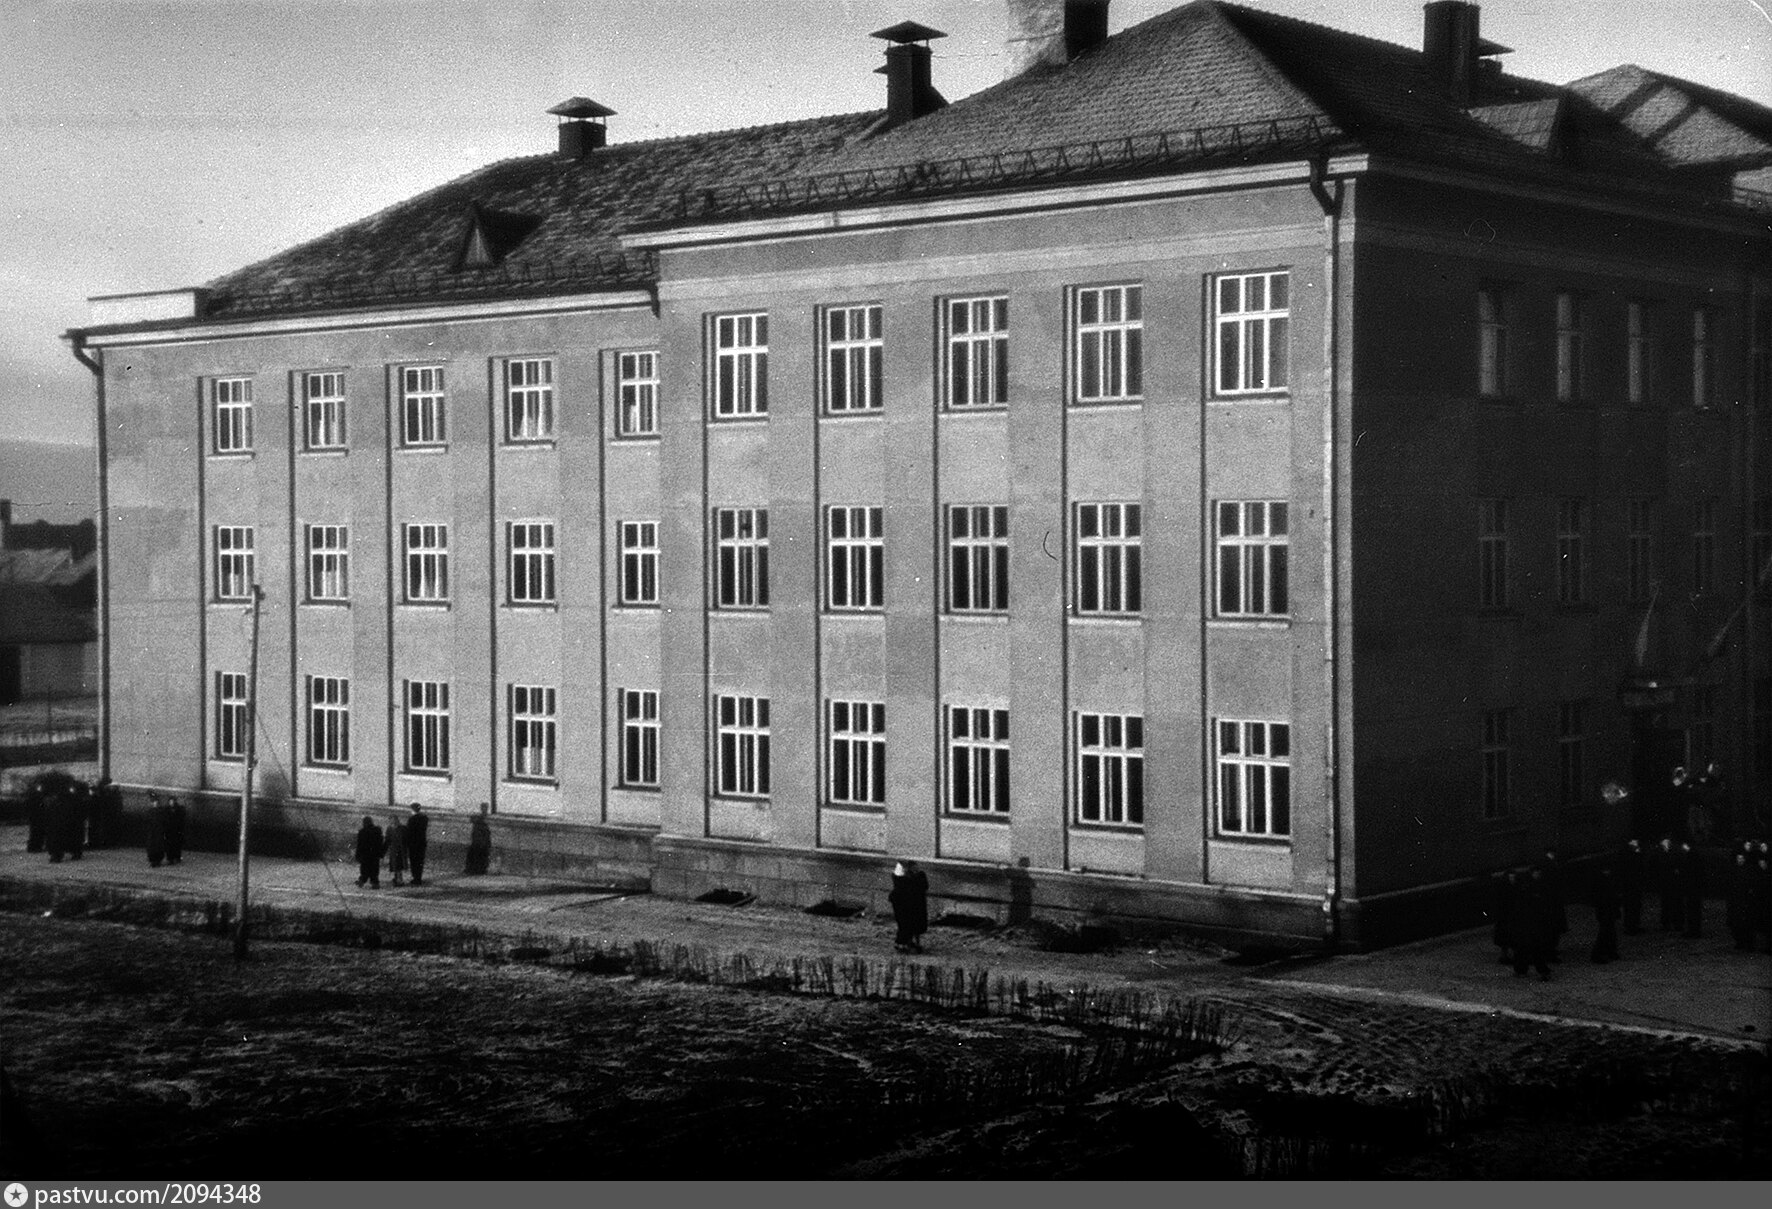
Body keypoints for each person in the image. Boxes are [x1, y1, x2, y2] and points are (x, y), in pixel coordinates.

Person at [1512, 867, 1554, 980]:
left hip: (1526, 924)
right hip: (1531, 924)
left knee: (1524, 949)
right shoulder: (1531, 890)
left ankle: (1522, 970)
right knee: (1534, 949)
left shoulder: (1523, 891)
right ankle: (1541, 971)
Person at [888, 859, 929, 953]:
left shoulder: (901, 875)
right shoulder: (917, 876)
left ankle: (904, 943)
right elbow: (923, 886)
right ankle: (905, 943)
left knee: (904, 924)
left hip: (903, 901)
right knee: (908, 924)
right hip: (909, 901)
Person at [1539, 848, 1568, 961]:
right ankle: (1550, 950)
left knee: (1552, 927)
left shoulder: (1546, 863)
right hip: (1552, 900)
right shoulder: (1548, 864)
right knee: (1552, 927)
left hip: (1552, 900)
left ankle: (1551, 949)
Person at [1589, 864, 1620, 964]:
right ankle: (1601, 953)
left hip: (1606, 906)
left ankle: (1608, 951)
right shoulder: (1603, 878)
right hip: (1606, 906)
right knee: (1606, 930)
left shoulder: (1602, 878)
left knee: (1608, 930)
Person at [1726, 852, 1756, 950]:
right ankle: (1740, 942)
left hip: (1744, 901)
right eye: (1739, 858)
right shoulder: (1734, 870)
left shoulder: (1748, 871)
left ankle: (1747, 943)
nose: (1740, 860)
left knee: (1746, 923)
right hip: (1736, 900)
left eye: (1742, 858)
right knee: (1737, 923)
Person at [1491, 869, 1519, 965]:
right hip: (1505, 918)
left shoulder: (1512, 887)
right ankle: (1505, 956)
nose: (1512, 879)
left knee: (1510, 938)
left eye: (1513, 877)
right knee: (1507, 939)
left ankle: (1510, 956)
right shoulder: (1504, 889)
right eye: (1510, 877)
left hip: (1510, 917)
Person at [1655, 836, 1683, 932]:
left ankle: (1672, 923)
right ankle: (1671, 923)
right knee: (1669, 903)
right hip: (1668, 882)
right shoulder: (1667, 854)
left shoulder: (1668, 854)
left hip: (1670, 882)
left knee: (1671, 903)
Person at [1619, 838, 1646, 935]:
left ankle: (1634, 925)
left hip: (1635, 884)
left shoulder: (1635, 855)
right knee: (1630, 905)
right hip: (1630, 884)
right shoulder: (1628, 856)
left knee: (1636, 905)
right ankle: (1630, 926)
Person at [1677, 839, 1703, 939]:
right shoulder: (1695, 855)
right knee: (1694, 909)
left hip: (1692, 887)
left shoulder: (1691, 856)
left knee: (1692, 909)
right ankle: (1695, 930)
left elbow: (1688, 871)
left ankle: (1693, 931)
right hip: (1695, 887)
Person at [354, 816, 385, 888]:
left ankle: (362, 880)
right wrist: (381, 852)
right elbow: (380, 841)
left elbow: (360, 844)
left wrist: (358, 854)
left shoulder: (362, 831)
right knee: (374, 869)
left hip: (365, 853)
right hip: (375, 853)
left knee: (364, 868)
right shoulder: (377, 830)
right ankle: (375, 882)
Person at [405, 802, 429, 885]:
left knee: (414, 861)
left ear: (412, 810)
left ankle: (415, 878)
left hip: (413, 843)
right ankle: (419, 877)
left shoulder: (412, 819)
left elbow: (409, 831)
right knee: (420, 860)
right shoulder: (424, 818)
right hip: (421, 842)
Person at [465, 805, 492, 876]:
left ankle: (476, 870)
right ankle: (477, 870)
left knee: (478, 855)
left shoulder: (480, 822)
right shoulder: (480, 822)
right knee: (478, 855)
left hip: (479, 842)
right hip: (479, 842)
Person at [385, 817, 408, 887]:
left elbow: (387, 840)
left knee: (397, 866)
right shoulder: (402, 828)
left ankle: (399, 880)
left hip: (397, 850)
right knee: (397, 866)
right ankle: (398, 879)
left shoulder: (391, 829)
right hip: (397, 850)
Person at [145, 792, 167, 868]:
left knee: (157, 845)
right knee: (153, 845)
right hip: (153, 831)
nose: (154, 803)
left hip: (157, 831)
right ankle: (153, 860)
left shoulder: (158, 812)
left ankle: (156, 860)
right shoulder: (151, 811)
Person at [164, 796, 186, 864]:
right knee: (172, 845)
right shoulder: (176, 809)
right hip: (172, 830)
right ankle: (172, 858)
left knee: (175, 844)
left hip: (175, 830)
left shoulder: (170, 810)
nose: (171, 803)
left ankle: (174, 857)